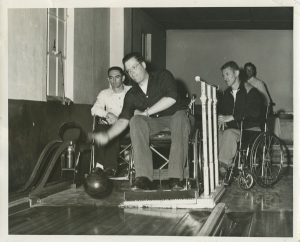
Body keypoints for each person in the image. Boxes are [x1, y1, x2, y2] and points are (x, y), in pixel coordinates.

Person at [91, 52, 191, 190]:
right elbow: (123, 119)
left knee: (179, 118)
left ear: (143, 65)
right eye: (129, 70)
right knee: (136, 120)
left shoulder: (163, 76)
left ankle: (175, 178)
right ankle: (143, 178)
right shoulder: (131, 94)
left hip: (176, 115)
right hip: (154, 123)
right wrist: (108, 135)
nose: (132, 72)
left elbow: (172, 98)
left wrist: (147, 112)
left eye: (134, 67)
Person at [218, 61, 264, 181]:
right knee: (218, 134)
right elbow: (222, 112)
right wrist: (220, 119)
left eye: (227, 74)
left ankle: (223, 168)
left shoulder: (251, 91)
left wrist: (233, 117)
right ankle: (222, 166)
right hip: (236, 130)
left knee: (228, 134)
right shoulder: (226, 94)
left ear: (237, 73)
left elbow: (255, 113)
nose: (225, 78)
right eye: (223, 75)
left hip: (251, 130)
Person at [91, 66, 131, 176]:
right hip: (110, 129)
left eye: (117, 77)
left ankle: (102, 165)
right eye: (111, 78)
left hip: (129, 129)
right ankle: (104, 167)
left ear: (123, 78)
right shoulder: (104, 93)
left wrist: (120, 119)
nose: (114, 81)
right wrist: (107, 114)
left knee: (111, 130)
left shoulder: (132, 91)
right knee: (100, 130)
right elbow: (94, 109)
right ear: (108, 79)